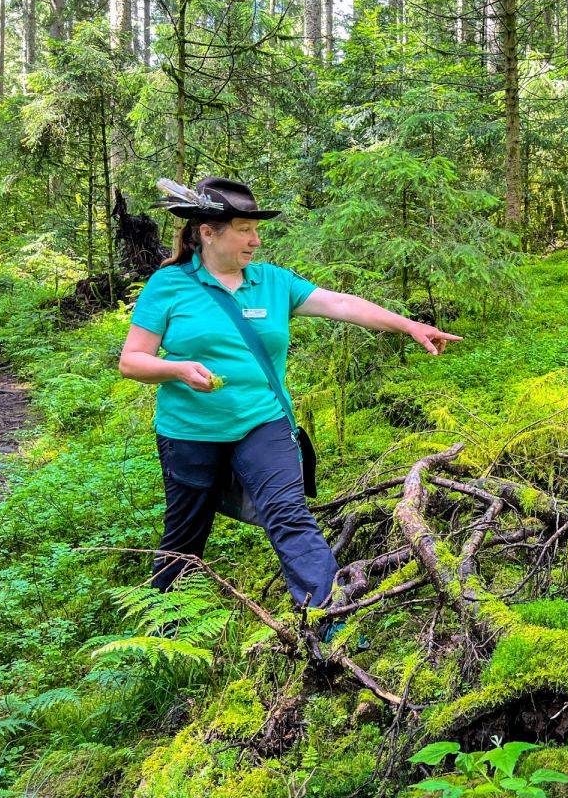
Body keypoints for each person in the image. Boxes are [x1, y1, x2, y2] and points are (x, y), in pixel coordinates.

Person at [118, 176, 461, 609]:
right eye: (244, 230)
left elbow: (341, 304)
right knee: (186, 534)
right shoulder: (169, 285)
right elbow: (132, 360)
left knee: (289, 515)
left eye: (255, 230)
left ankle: (330, 618)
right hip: (189, 431)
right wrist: (177, 369)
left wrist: (408, 325)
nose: (256, 240)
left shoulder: (273, 283)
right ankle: (165, 627)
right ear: (207, 233)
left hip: (262, 421)